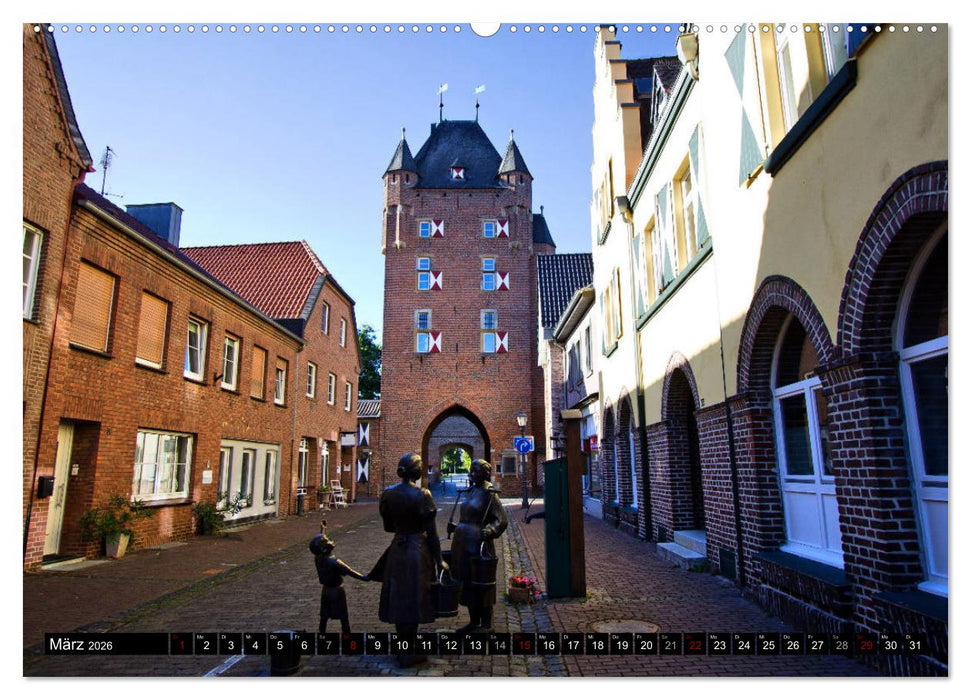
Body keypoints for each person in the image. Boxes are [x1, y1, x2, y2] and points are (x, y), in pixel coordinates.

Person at [369, 452, 446, 666]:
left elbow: (387, 527)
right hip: (417, 550)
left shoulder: (387, 494)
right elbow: (431, 533)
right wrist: (440, 560)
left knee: (398, 595)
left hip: (397, 547)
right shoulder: (423, 495)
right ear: (417, 471)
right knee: (413, 597)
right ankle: (409, 650)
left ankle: (402, 646)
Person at [447, 459, 508, 633]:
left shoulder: (489, 492)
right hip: (464, 541)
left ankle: (486, 624)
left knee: (482, 582)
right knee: (467, 581)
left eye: (475, 471)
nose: (471, 474)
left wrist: (489, 531)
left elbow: (501, 519)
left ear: (485, 473)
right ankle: (474, 622)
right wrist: (457, 526)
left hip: (479, 544)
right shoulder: (472, 490)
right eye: (470, 471)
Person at [309, 525, 368, 635]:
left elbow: (321, 539)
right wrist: (365, 577)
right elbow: (350, 571)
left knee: (324, 616)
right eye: (327, 541)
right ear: (324, 548)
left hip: (326, 590)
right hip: (337, 591)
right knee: (343, 616)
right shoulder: (334, 562)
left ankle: (322, 634)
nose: (330, 541)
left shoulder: (318, 558)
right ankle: (347, 636)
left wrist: (323, 529)